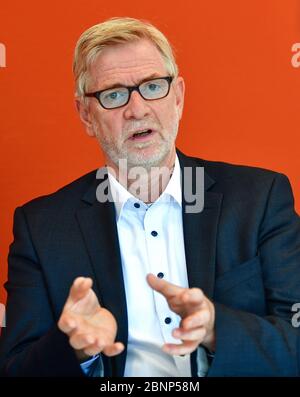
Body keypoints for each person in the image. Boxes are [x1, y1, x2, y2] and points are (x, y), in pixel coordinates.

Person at [0, 16, 300, 377]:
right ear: (86, 115)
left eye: (153, 87)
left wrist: (217, 329)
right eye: (113, 94)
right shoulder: (41, 228)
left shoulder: (261, 199)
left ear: (178, 97)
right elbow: (15, 369)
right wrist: (74, 349)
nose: (137, 109)